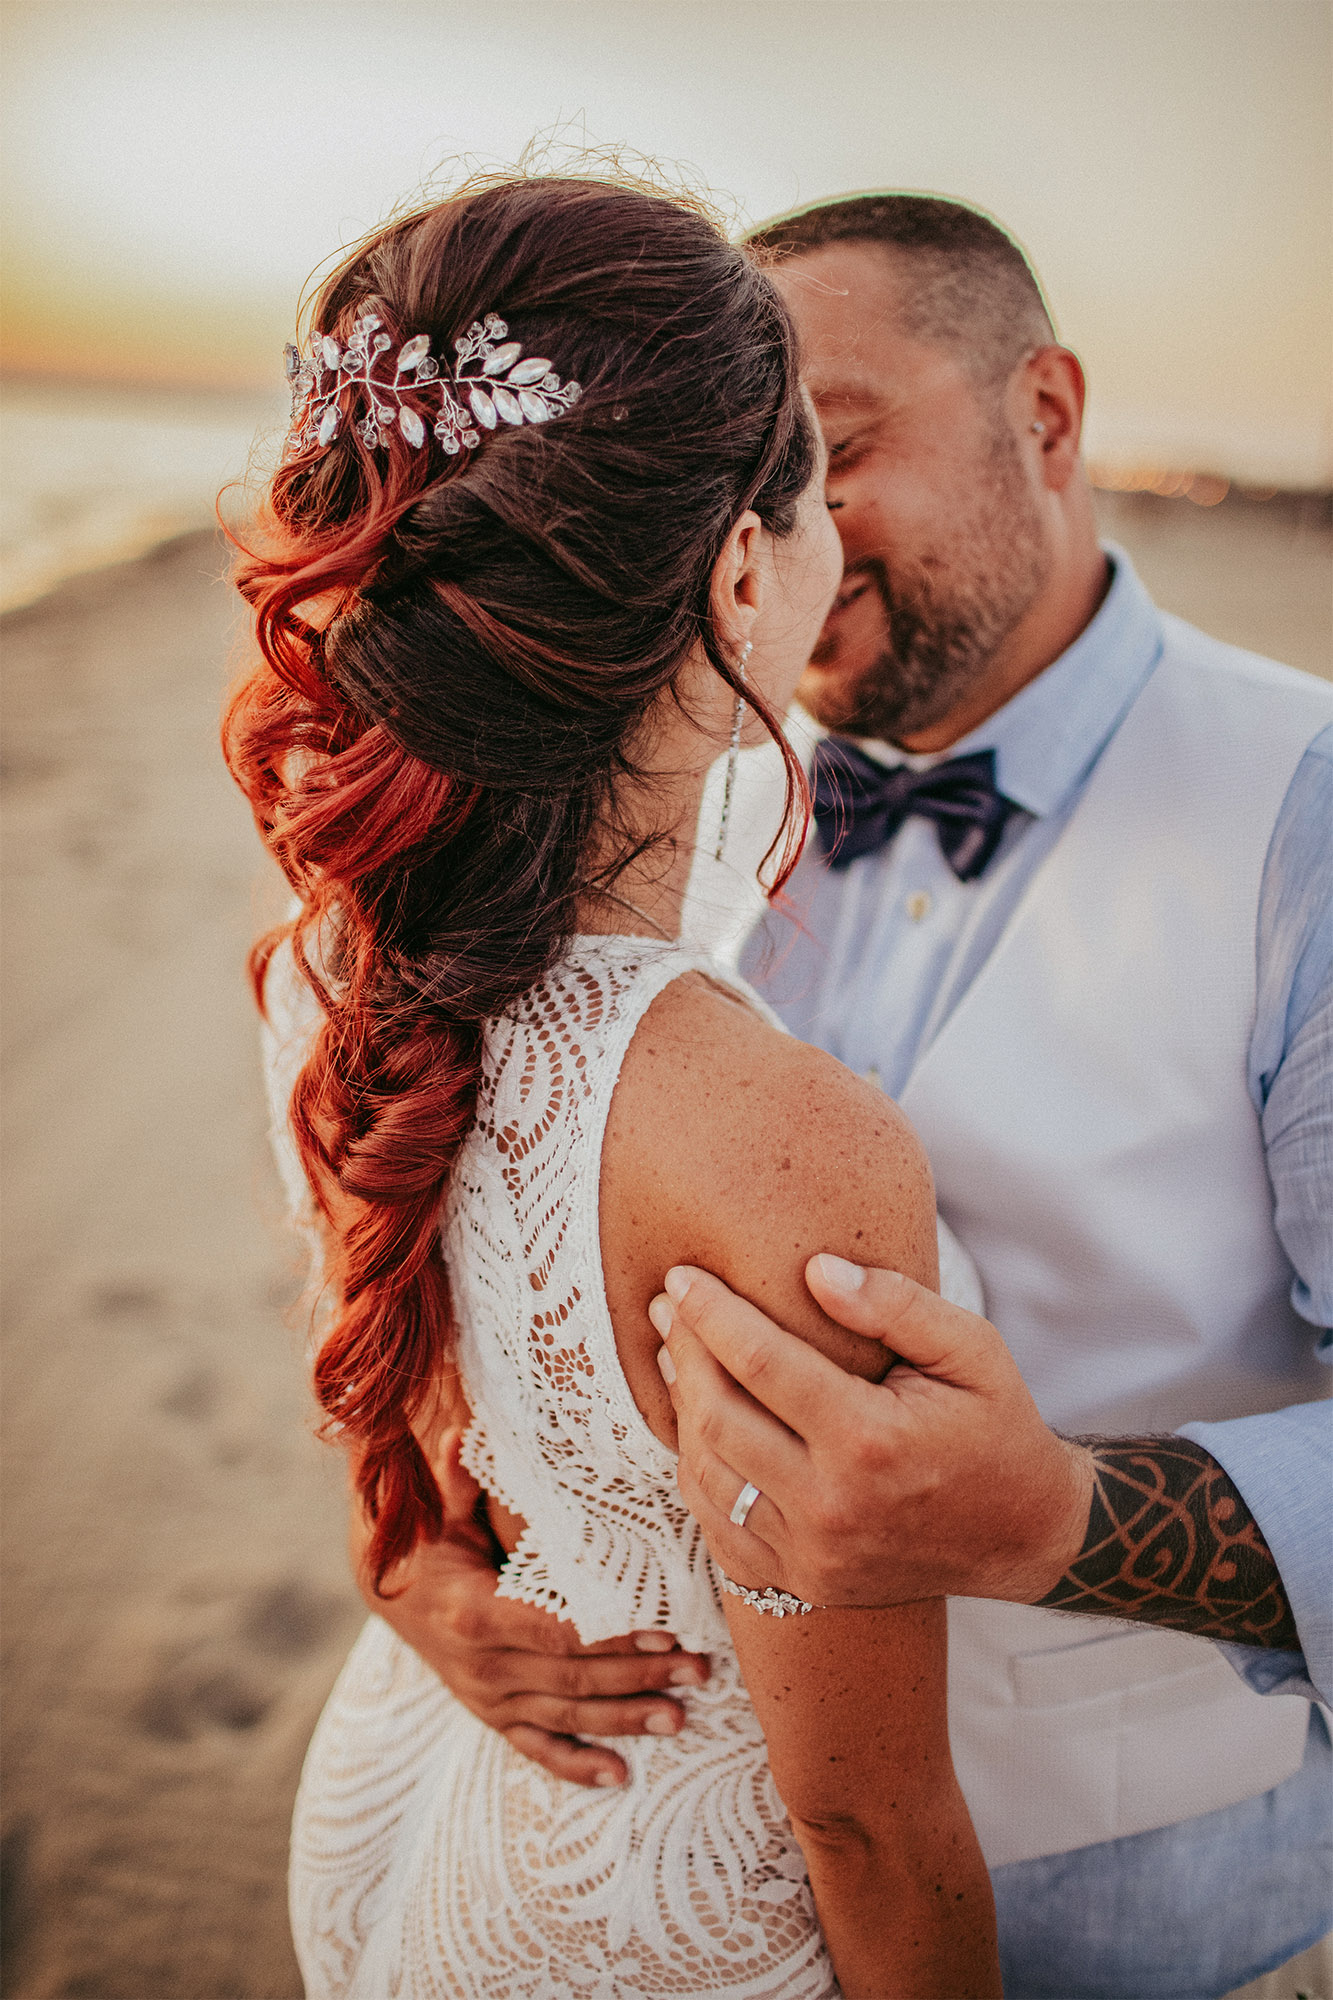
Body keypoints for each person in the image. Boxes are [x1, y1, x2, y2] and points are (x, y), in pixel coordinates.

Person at [364, 194, 1333, 2000]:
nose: (761, 517)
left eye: (829, 449)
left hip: (1137, 1896)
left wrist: (1054, 1516)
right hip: (683, 1878)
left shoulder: (1307, 818)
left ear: (1045, 415)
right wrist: (425, 1544)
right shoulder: (683, 748)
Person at [232, 174, 1002, 1998]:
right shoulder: (774, 1139)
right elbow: (865, 1823)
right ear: (741, 568)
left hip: (421, 1799)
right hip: (644, 1922)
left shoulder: (332, 962)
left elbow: (414, 1355)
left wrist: (401, 1564)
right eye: (814, 482)